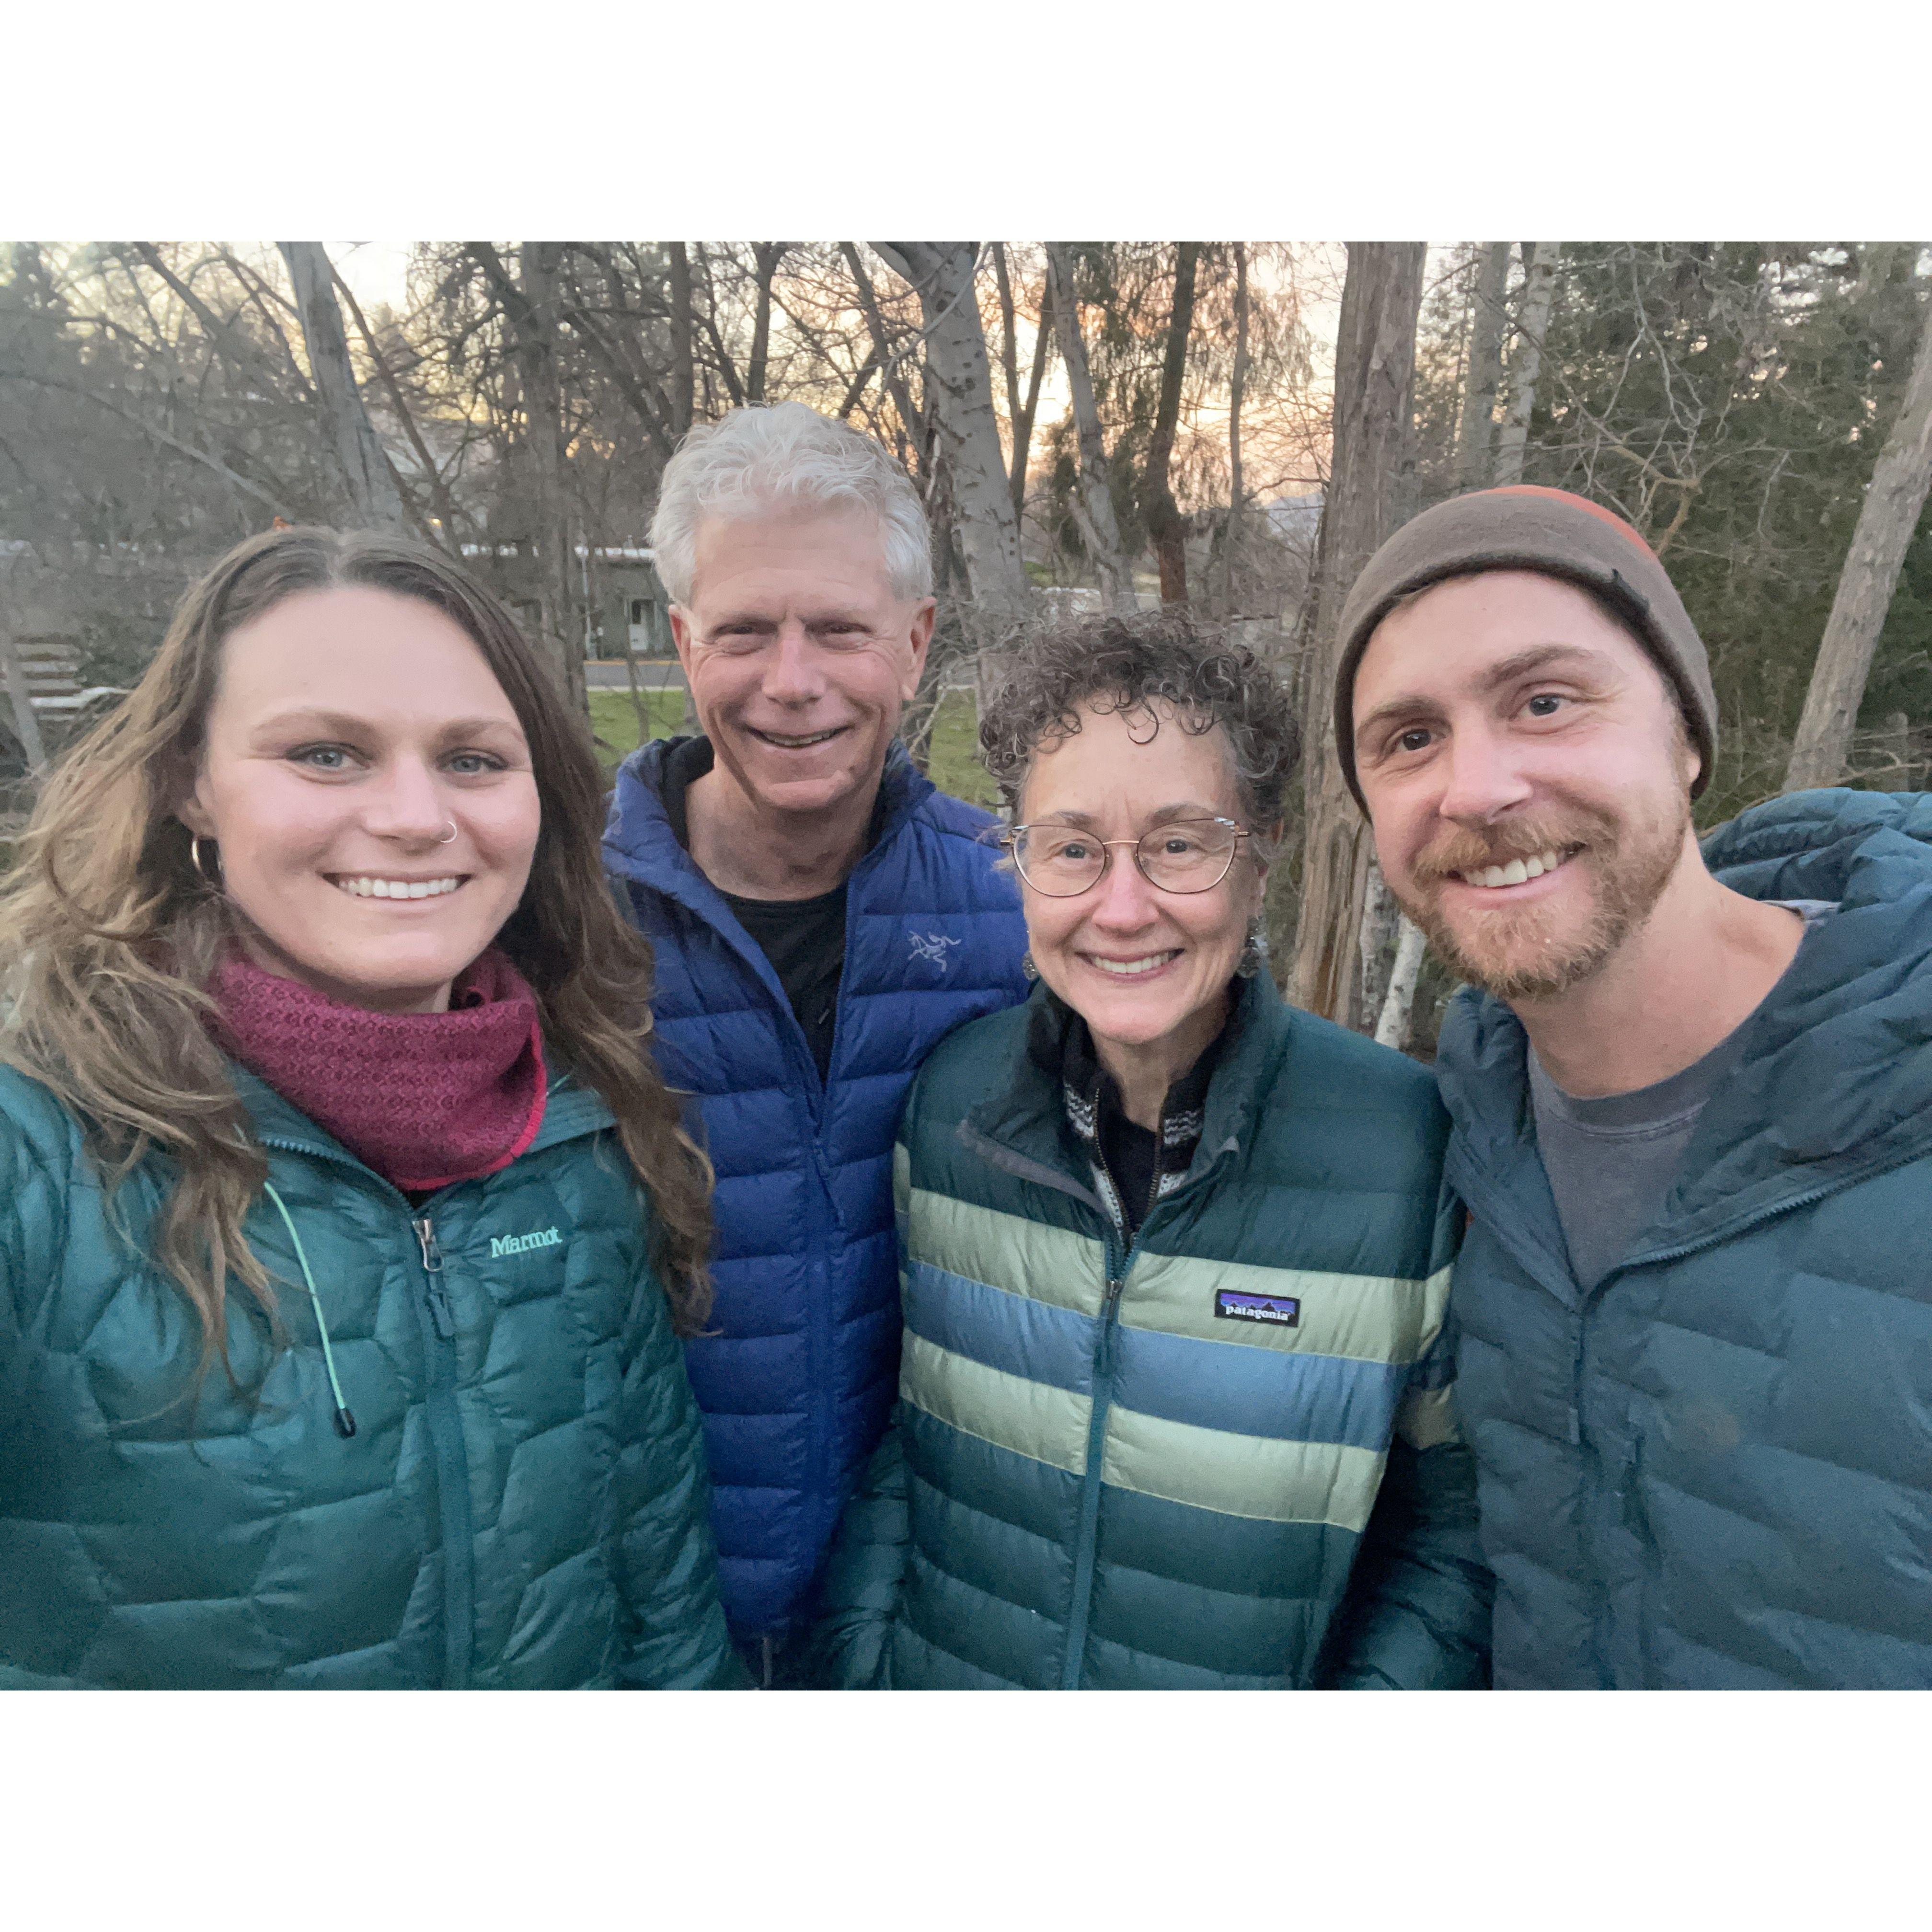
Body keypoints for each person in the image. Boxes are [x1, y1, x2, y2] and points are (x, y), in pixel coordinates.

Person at [0, 527, 740, 1690]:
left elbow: (656, 1583)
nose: (412, 816)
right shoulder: (39, 1146)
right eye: (328, 754)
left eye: (472, 760)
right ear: (190, 781)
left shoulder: (579, 1128)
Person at [811, 613, 1493, 1689]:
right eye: (1074, 849)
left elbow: (1449, 1537)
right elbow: (913, 1449)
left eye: (1179, 844)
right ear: (1020, 866)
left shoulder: (1403, 1150)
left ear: (1259, 860)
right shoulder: (952, 1114)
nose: (1122, 909)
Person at [1337, 483, 1932, 1688]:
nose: (1476, 788)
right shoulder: (1460, 1146)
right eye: (1409, 739)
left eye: (1545, 702)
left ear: (1689, 734)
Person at [602, 403, 1029, 1683]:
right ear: (685, 644)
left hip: (931, 1617)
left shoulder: (1023, 910)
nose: (793, 681)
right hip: (640, 1621)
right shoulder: (553, 920)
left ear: (915, 642)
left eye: (839, 629)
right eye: (744, 632)